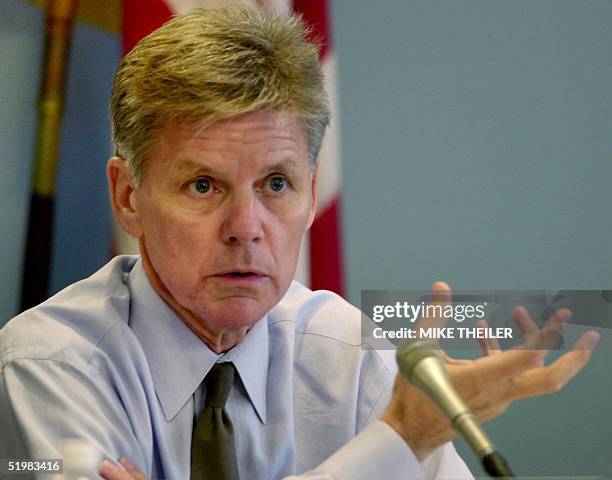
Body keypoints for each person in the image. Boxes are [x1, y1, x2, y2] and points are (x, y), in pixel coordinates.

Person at [0, 7, 598, 480]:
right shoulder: (49, 363)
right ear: (129, 196)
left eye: (276, 184)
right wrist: (397, 444)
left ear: (312, 194)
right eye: (203, 184)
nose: (245, 226)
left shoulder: (350, 355)